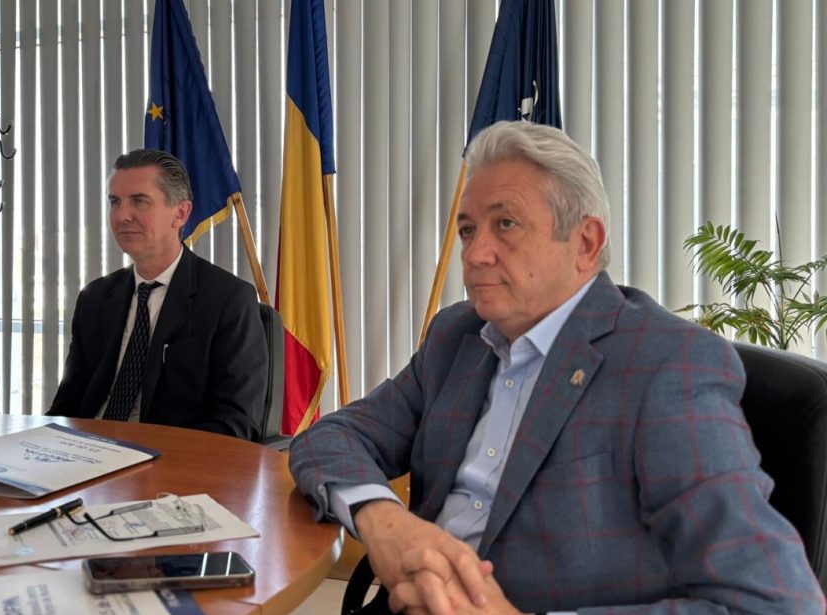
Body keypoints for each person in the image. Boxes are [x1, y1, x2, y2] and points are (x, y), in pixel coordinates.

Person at [289, 121, 825, 613]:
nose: (475, 254)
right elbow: (331, 438)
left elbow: (778, 602)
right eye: (468, 230)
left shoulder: (667, 367)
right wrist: (384, 520)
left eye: (505, 224)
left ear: (585, 243)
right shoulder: (457, 336)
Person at [48, 149, 267, 441]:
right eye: (115, 202)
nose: (122, 215)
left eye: (139, 201)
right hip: (87, 452)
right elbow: (67, 405)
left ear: (181, 213)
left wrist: (149, 454)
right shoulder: (95, 297)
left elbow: (236, 423)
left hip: (171, 458)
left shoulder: (228, 300)